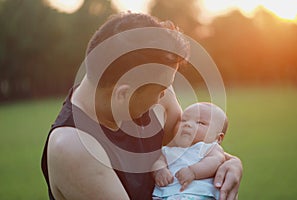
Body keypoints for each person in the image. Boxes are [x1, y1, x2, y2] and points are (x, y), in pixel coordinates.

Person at [41, 12, 242, 200]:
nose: (166, 94)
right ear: (123, 94)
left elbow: (191, 150)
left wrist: (232, 163)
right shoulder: (74, 148)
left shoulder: (159, 101)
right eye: (161, 89)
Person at [152, 102, 228, 200]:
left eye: (200, 123)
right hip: (165, 195)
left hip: (198, 194)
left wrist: (193, 171)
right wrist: (160, 170)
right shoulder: (169, 149)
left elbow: (216, 160)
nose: (188, 124)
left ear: (218, 138)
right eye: (183, 120)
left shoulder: (209, 148)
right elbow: (158, 161)